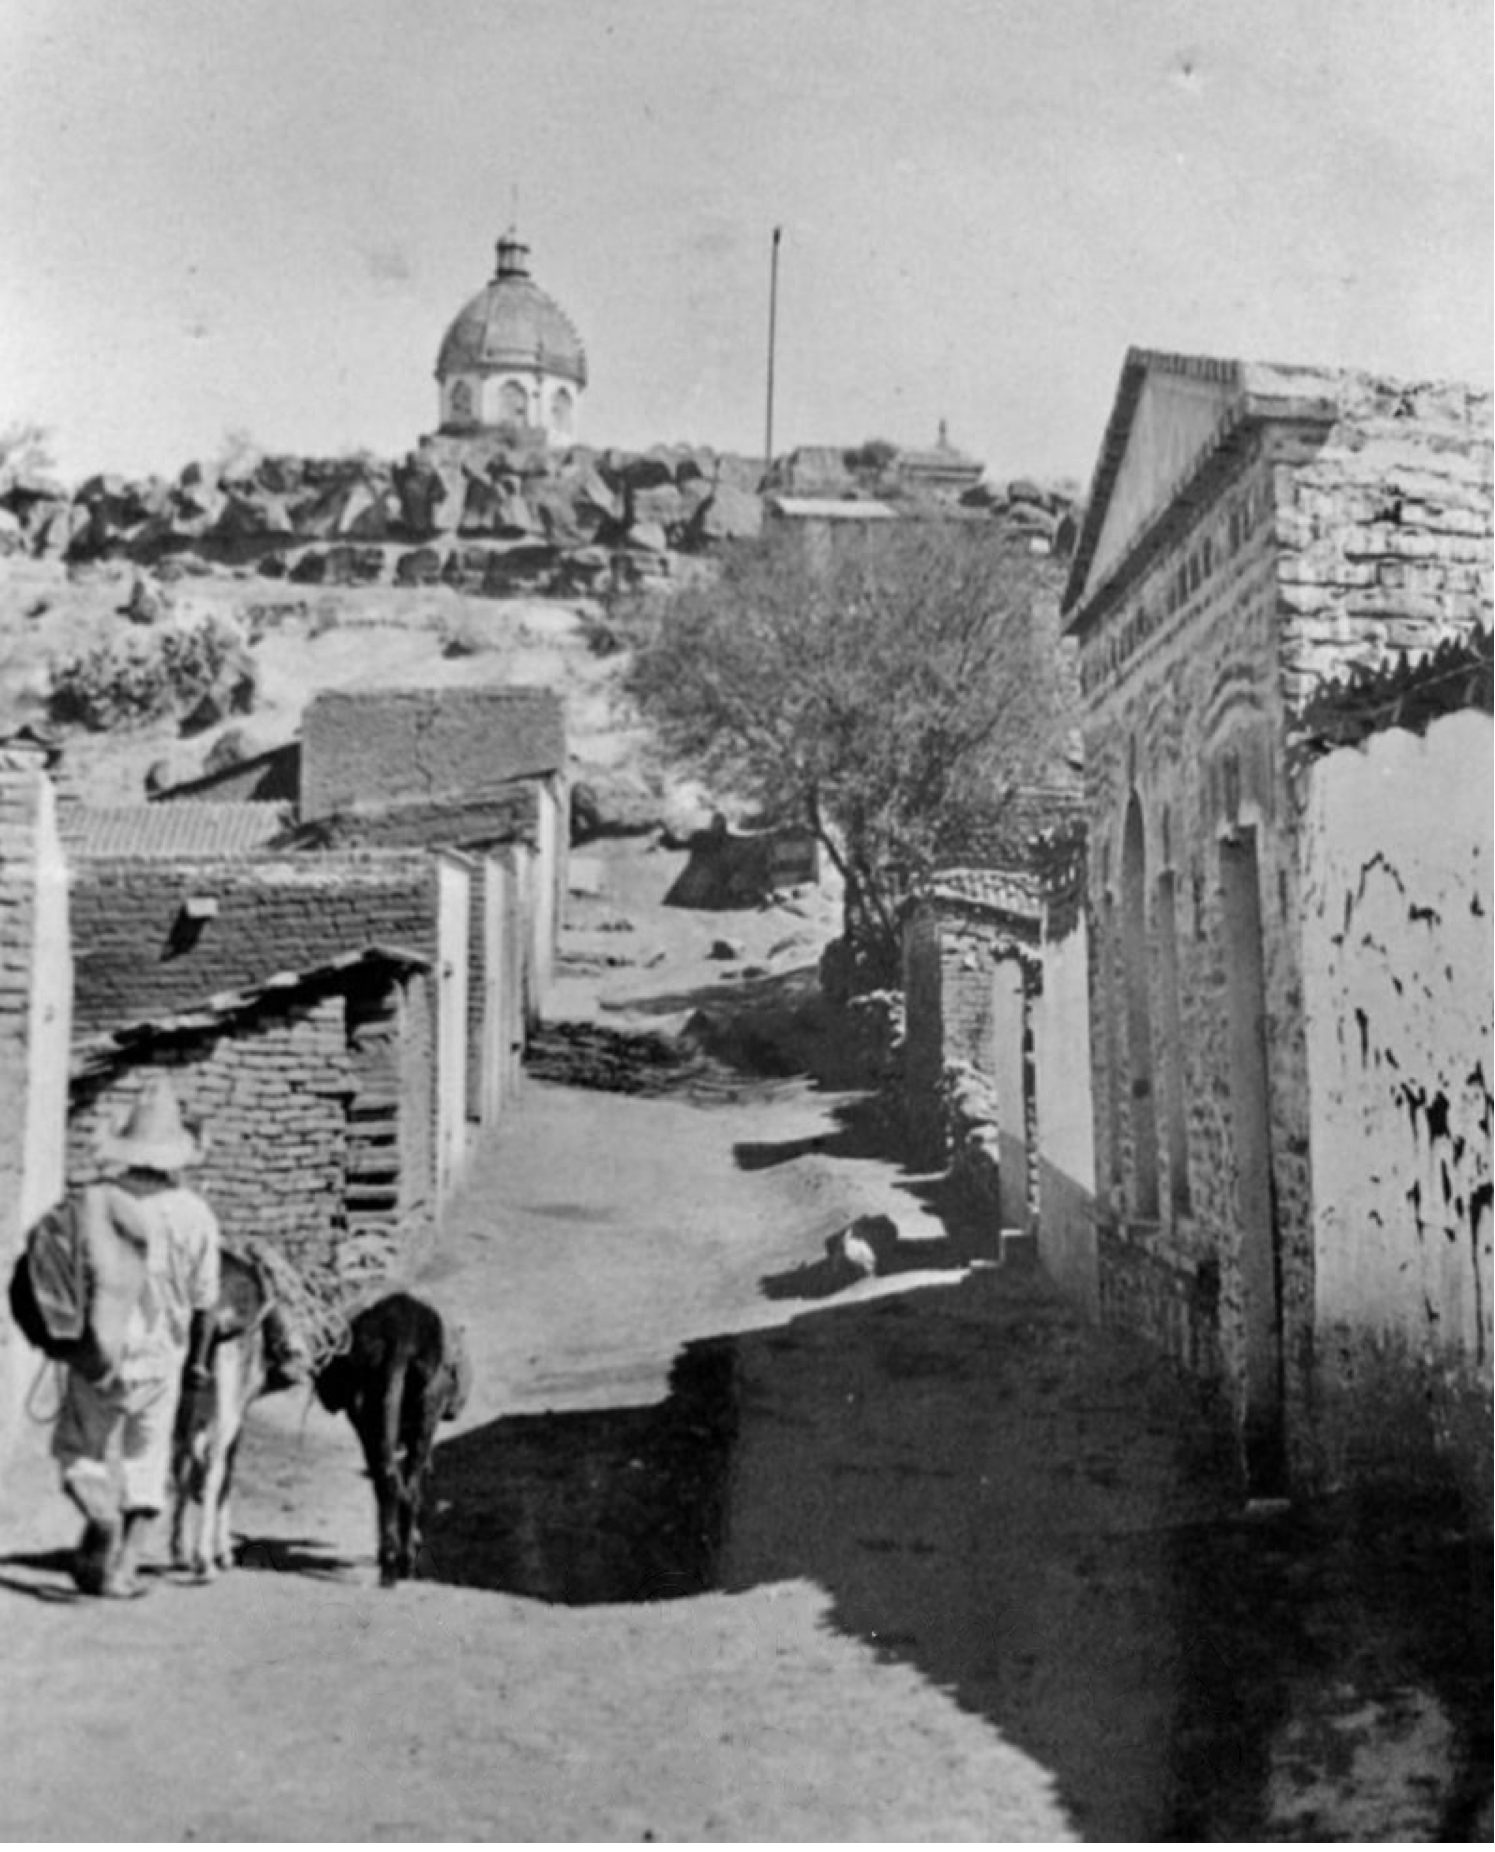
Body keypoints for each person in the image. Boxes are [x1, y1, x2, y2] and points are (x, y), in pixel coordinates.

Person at [52, 1075, 222, 1598]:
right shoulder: (196, 1216)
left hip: (98, 1353)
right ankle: (124, 1569)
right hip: (159, 1358)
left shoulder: (94, 1202)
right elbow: (205, 1304)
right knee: (147, 1462)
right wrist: (198, 1364)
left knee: (78, 1452)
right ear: (176, 1156)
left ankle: (99, 1515)